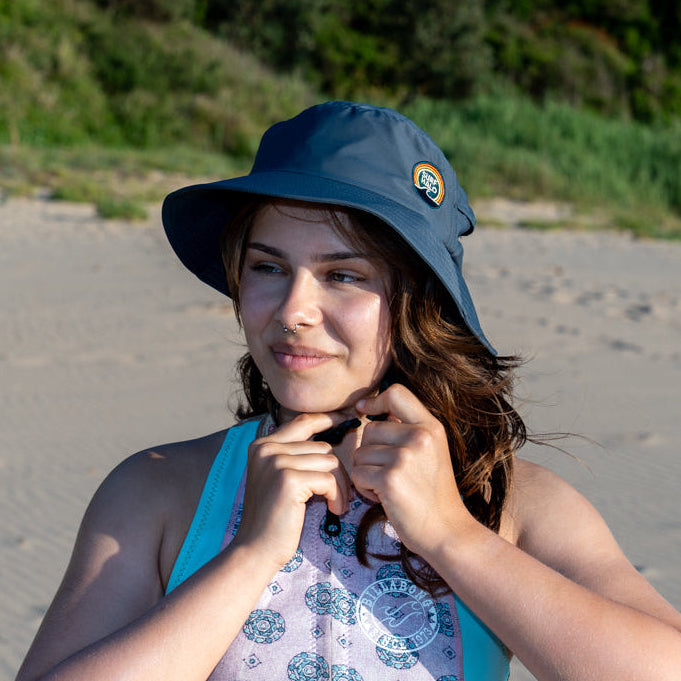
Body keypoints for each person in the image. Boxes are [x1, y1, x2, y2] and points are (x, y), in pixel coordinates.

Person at [16, 101, 681, 681]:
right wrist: (248, 557)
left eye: (343, 275)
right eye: (268, 267)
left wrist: (452, 536)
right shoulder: (159, 490)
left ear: (419, 301)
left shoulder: (507, 501)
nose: (294, 309)